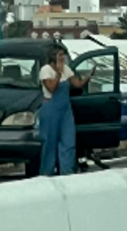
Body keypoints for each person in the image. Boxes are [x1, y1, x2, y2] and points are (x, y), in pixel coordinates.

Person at [38, 46, 96, 176]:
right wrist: (58, 74)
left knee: (68, 141)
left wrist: (88, 77)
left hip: (65, 111)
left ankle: (67, 171)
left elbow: (77, 84)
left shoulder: (66, 69)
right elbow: (51, 88)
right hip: (51, 110)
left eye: (63, 55)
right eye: (60, 55)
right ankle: (47, 172)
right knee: (50, 143)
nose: (62, 58)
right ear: (53, 57)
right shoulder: (45, 70)